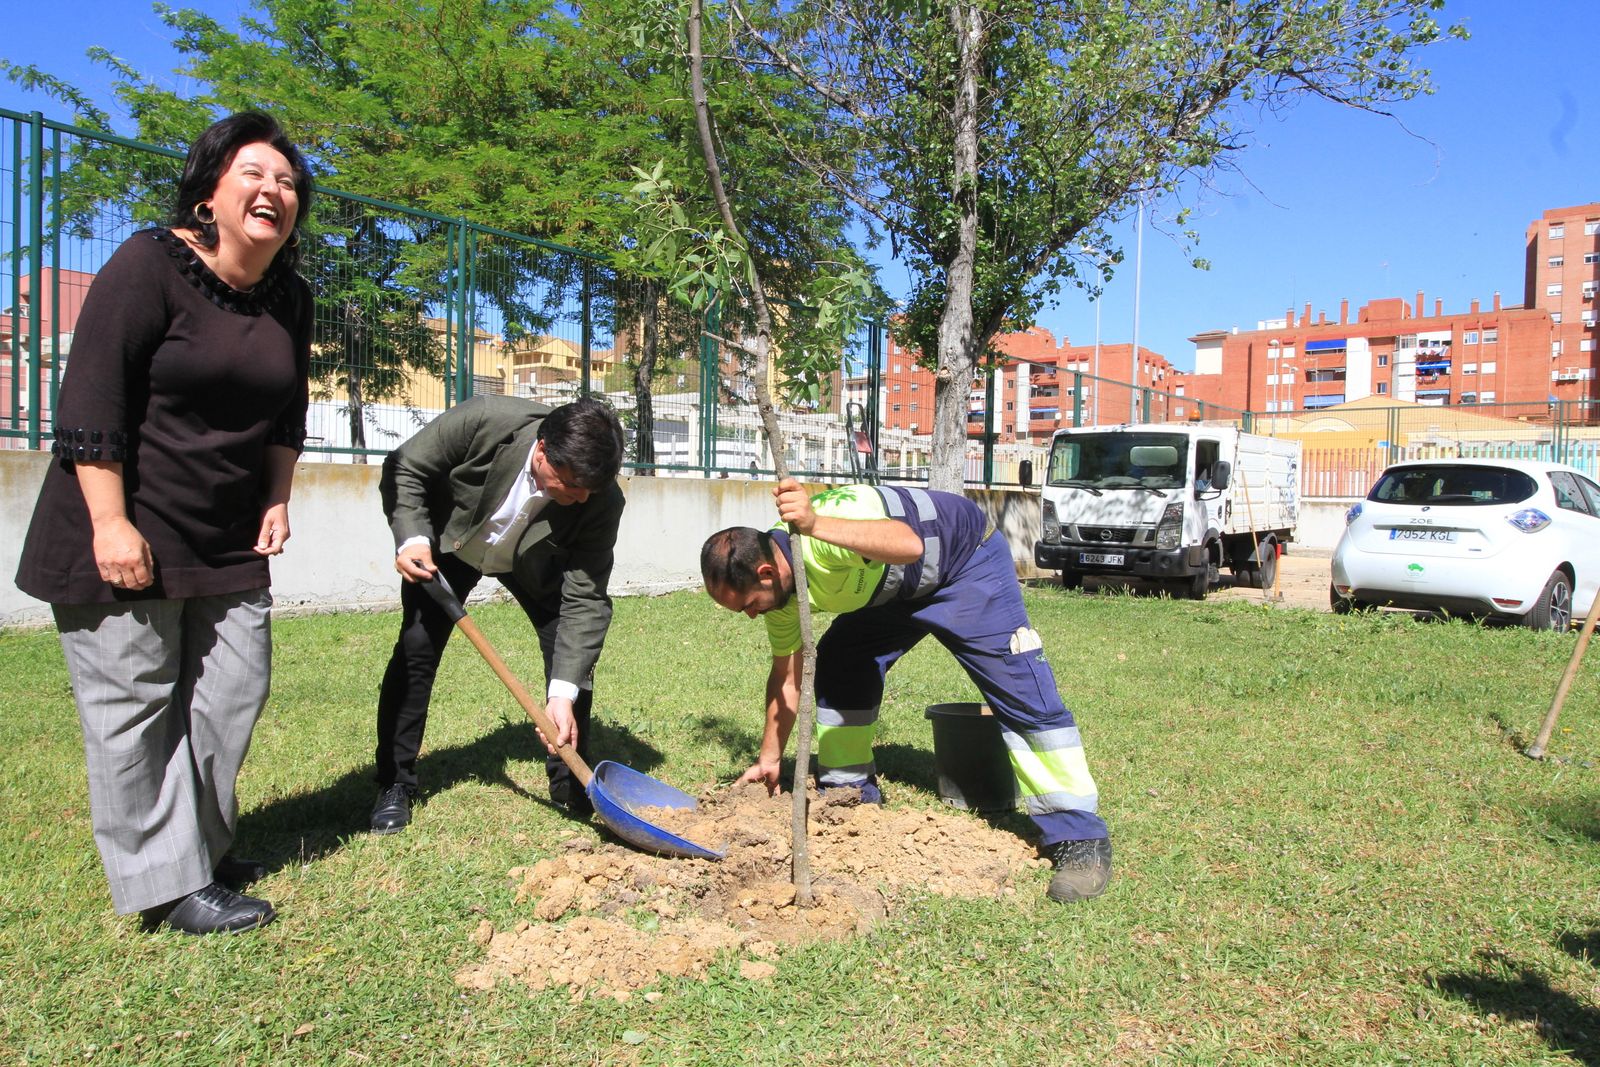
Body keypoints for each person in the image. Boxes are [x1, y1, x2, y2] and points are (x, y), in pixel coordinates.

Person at [14, 111, 314, 935]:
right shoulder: (148, 265)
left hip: (226, 531)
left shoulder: (292, 298)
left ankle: (201, 849)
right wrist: (110, 522)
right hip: (125, 521)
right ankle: (165, 883)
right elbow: (92, 399)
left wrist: (276, 495)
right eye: (254, 174)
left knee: (234, 688)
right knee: (136, 704)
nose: (273, 190)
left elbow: (287, 414)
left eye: (287, 182)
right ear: (210, 188)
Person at [701, 479, 1113, 903]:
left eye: (748, 604)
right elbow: (787, 677)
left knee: (1020, 683)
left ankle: (1078, 835)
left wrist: (816, 522)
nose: (751, 615)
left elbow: (908, 544)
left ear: (766, 572)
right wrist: (769, 759)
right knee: (843, 661)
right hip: (893, 591)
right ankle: (848, 794)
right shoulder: (784, 594)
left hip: (963, 565)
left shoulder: (815, 541)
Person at [372, 395, 626, 834]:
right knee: (416, 650)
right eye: (569, 484)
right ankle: (396, 782)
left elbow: (585, 598)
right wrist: (411, 538)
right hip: (449, 549)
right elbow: (406, 466)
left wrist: (561, 694)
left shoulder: (599, 499)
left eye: (590, 489)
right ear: (543, 450)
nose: (580, 497)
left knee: (572, 665)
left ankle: (572, 783)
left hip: (535, 566)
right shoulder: (485, 421)